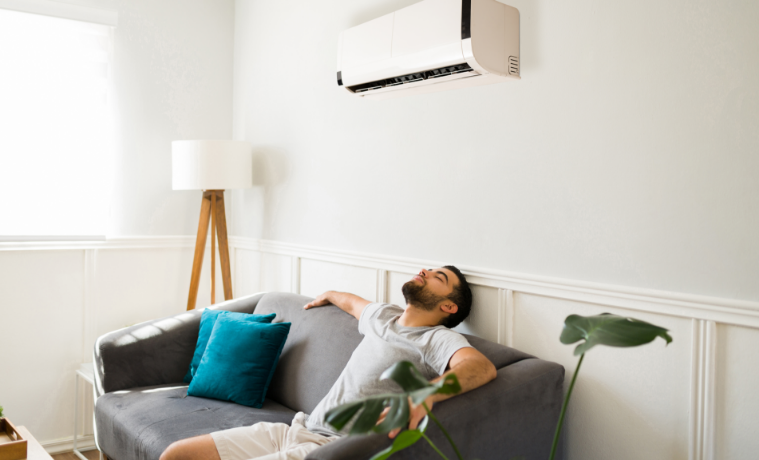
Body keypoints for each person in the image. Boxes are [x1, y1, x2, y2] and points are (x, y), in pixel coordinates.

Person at [160, 266, 497, 460]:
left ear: (449, 307)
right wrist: (331, 295)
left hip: (329, 448)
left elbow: (480, 367)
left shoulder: (435, 339)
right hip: (296, 428)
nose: (425, 271)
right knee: (176, 455)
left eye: (438, 277)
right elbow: (353, 303)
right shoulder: (383, 316)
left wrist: (422, 396)